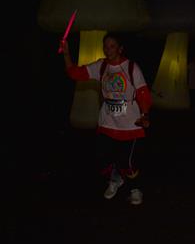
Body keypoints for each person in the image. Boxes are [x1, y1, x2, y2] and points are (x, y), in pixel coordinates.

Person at [61, 33, 152, 205]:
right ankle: (115, 179)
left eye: (112, 46)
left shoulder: (131, 67)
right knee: (102, 157)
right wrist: (66, 54)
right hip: (107, 122)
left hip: (130, 124)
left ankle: (135, 189)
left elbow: (142, 92)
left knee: (127, 161)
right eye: (105, 46)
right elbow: (75, 73)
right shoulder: (101, 66)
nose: (108, 50)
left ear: (120, 49)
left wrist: (145, 114)